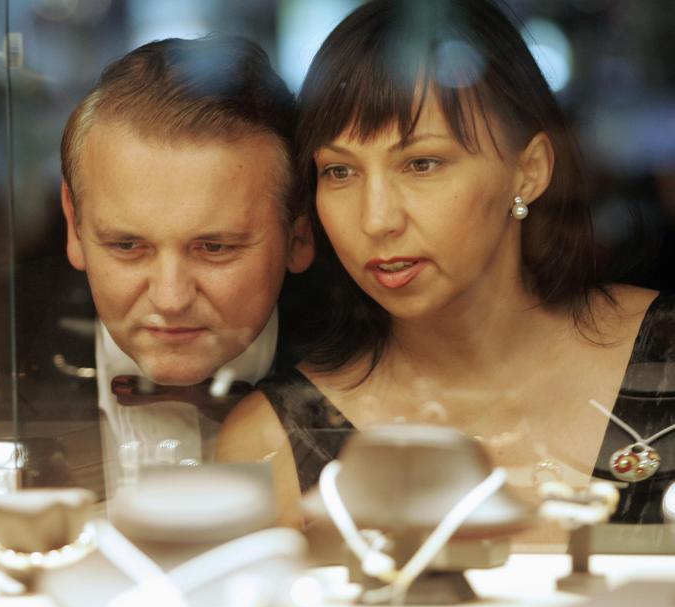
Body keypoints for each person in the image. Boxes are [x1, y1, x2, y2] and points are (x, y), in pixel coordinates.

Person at [218, 0, 674, 528]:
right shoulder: (275, 443)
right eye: (340, 172)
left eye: (421, 163)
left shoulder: (663, 362)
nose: (377, 219)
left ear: (529, 171)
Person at [59, 36, 314, 496]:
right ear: (74, 225)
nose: (171, 299)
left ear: (299, 234)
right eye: (127, 245)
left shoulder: (376, 365)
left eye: (214, 247)